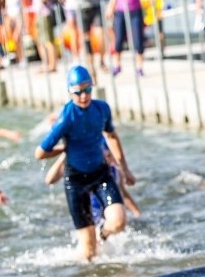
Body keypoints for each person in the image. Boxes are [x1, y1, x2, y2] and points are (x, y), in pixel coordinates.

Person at [35, 65, 136, 260]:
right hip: (76, 180)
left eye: (87, 90)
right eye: (78, 92)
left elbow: (112, 135)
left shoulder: (101, 109)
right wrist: (65, 149)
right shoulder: (66, 117)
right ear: (70, 92)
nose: (83, 96)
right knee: (88, 252)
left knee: (118, 222)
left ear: (92, 86)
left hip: (100, 173)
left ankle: (102, 235)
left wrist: (125, 169)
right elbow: (40, 152)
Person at [44, 140, 141, 221]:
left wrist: (136, 213)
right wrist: (66, 154)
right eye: (106, 156)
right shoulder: (79, 168)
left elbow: (123, 193)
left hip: (105, 217)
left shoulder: (114, 171)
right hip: (87, 218)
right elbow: (50, 180)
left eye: (109, 156)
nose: (109, 160)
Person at [105, 0, 147, 77]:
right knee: (118, 39)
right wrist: (110, 7)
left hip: (134, 9)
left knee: (137, 39)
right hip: (120, 10)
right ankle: (117, 65)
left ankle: (139, 67)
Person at [28, 0, 63, 73]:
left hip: (46, 12)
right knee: (40, 40)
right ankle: (45, 63)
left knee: (48, 40)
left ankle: (53, 64)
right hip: (38, 13)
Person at [0, 0, 30, 66]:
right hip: (10, 18)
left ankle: (23, 58)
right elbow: (6, 8)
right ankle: (18, 57)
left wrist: (26, 20)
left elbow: (24, 8)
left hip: (18, 17)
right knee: (12, 39)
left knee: (17, 37)